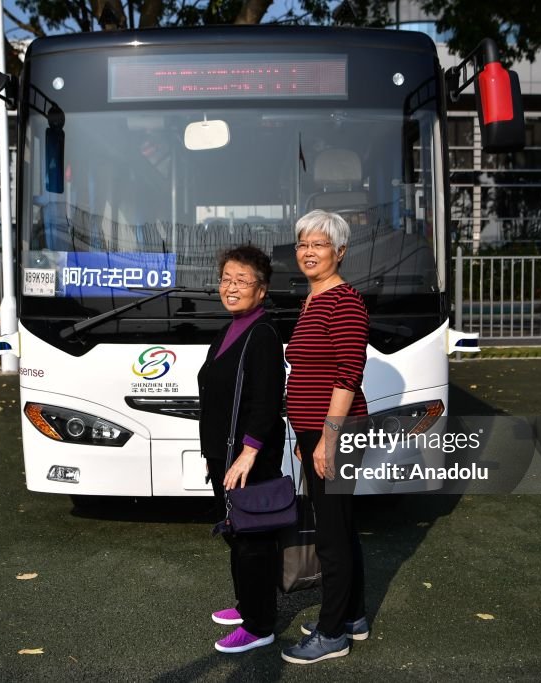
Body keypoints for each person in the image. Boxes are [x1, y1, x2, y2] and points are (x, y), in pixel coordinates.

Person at [281, 209, 371, 665]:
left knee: (332, 537)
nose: (309, 252)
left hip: (338, 432)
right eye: (303, 244)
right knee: (340, 526)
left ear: (340, 251)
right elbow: (310, 372)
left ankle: (333, 633)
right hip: (316, 431)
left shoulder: (345, 302)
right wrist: (306, 434)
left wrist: (328, 439)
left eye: (319, 245)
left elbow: (348, 373)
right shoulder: (312, 300)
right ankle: (352, 615)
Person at [197, 245, 286, 654]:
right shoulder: (232, 326)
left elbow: (267, 401)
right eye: (226, 279)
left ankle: (259, 624)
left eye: (242, 281)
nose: (231, 288)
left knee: (253, 539)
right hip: (225, 453)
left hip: (248, 457)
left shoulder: (262, 333)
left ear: (262, 290)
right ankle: (247, 603)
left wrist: (249, 453)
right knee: (237, 532)